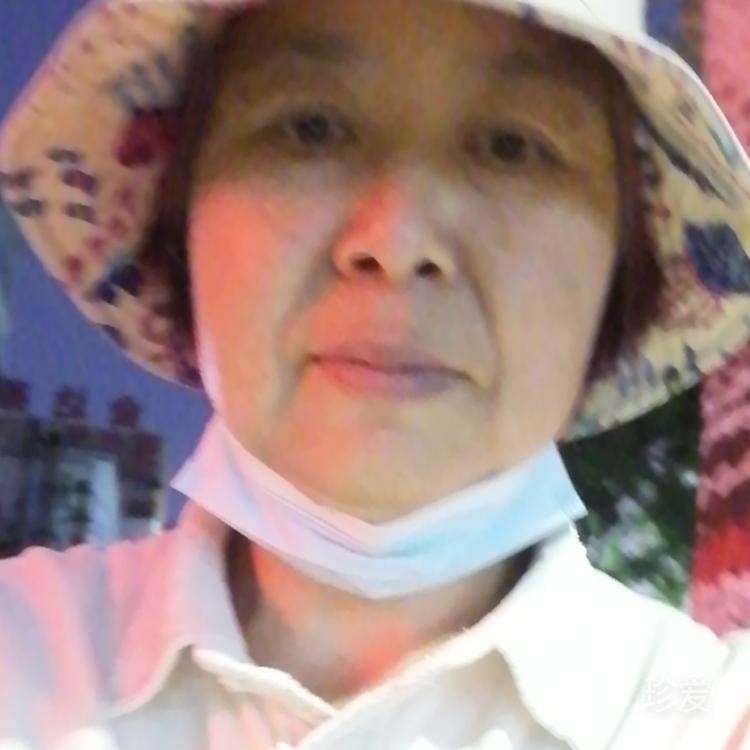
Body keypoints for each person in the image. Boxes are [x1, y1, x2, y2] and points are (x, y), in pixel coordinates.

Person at [0, 0, 749, 747]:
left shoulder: (692, 710)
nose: (396, 240)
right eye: (310, 127)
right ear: (178, 218)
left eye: (512, 146)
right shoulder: (20, 660)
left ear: (623, 264)